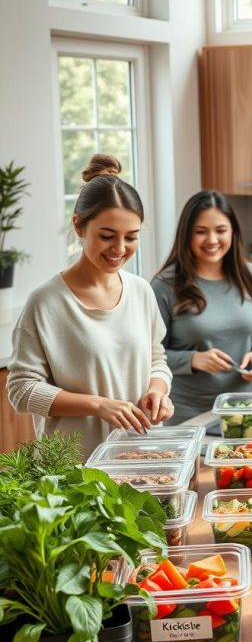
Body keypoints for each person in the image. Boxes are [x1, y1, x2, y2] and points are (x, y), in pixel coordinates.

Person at [8, 155, 174, 458]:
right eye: (107, 236)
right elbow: (21, 390)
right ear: (79, 226)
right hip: (72, 471)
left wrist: (157, 391)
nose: (120, 249)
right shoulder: (46, 302)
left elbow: (156, 359)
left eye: (131, 237)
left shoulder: (141, 291)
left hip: (138, 458)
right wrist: (98, 405)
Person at [151, 190, 252, 422]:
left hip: (249, 407)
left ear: (233, 232)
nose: (212, 240)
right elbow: (151, 355)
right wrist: (193, 360)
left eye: (221, 230)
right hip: (192, 414)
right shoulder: (164, 286)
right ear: (186, 235)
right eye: (201, 232)